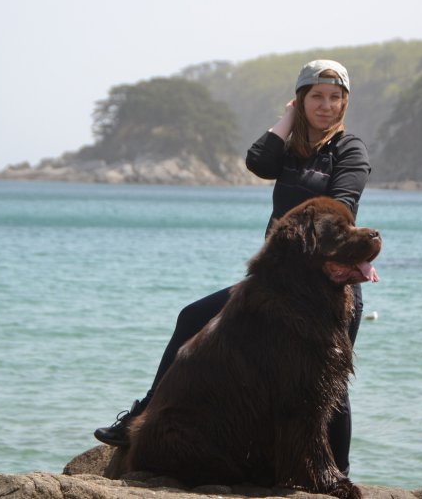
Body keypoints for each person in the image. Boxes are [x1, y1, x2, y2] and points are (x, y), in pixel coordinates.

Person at [94, 59, 372, 476]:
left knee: (327, 381)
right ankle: (147, 413)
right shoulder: (291, 149)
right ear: (301, 99)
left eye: (335, 98)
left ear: (345, 103)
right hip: (275, 284)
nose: (326, 105)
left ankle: (340, 474)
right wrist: (287, 120)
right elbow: (259, 162)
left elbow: (343, 206)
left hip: (329, 287)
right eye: (316, 96)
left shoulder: (349, 150)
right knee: (193, 317)